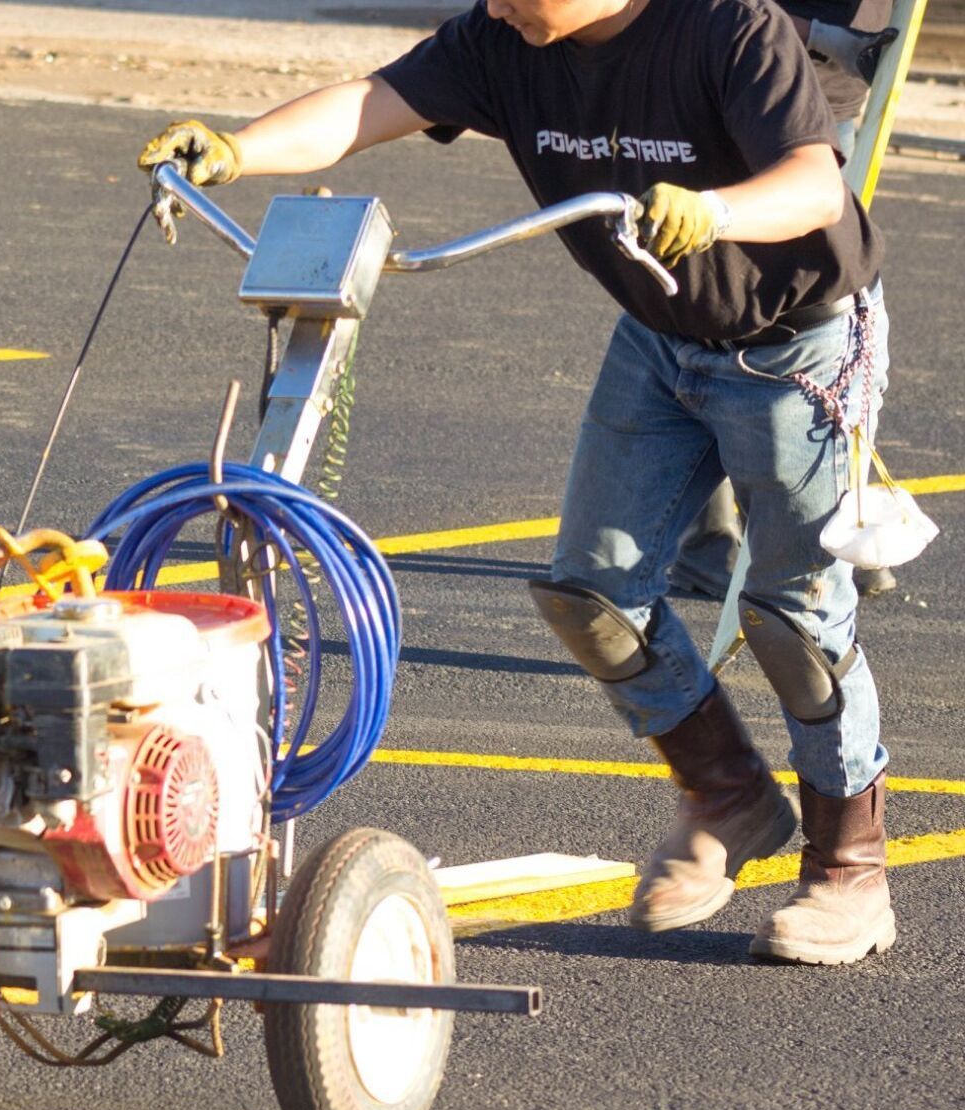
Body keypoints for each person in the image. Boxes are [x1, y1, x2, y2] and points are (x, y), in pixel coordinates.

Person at [140, 0, 895, 964]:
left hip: (798, 344)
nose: (495, 2)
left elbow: (814, 187)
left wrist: (716, 208)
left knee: (795, 622)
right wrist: (235, 149)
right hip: (664, 337)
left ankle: (849, 867)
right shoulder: (503, 43)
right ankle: (729, 793)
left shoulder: (728, 27)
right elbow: (370, 104)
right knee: (590, 597)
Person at [670, 0, 897, 601]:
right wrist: (821, 35)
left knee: (833, 315)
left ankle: (835, 520)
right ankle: (710, 541)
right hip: (733, 94)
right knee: (710, 306)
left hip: (831, 98)